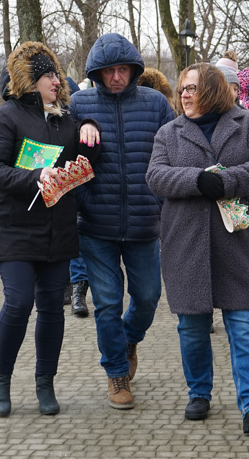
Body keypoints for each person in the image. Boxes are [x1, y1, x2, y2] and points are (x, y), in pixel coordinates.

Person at [146, 63, 249, 433]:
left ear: (213, 90)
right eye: (182, 89)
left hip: (236, 241)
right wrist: (195, 180)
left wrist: (226, 181)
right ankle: (199, 392)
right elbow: (155, 176)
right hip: (185, 243)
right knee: (192, 327)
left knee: (245, 324)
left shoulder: (247, 124)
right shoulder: (168, 133)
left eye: (192, 88)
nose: (185, 94)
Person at [0, 42, 100, 416]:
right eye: (48, 74)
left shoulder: (66, 119)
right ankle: (1, 380)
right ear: (30, 81)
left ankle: (44, 383)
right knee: (18, 302)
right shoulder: (5, 117)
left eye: (58, 74)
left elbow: (81, 160)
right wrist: (34, 176)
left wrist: (90, 128)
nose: (57, 80)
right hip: (13, 226)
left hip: (57, 226)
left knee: (52, 307)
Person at [69, 33, 175, 409]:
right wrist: (81, 130)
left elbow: (175, 151)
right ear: (96, 73)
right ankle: (116, 373)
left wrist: (165, 202)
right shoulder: (78, 103)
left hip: (146, 223)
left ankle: (129, 339)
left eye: (123, 69)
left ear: (133, 69)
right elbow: (63, 156)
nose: (116, 77)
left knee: (147, 297)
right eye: (109, 70)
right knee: (108, 303)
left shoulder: (156, 103)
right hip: (95, 225)